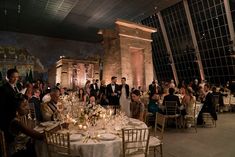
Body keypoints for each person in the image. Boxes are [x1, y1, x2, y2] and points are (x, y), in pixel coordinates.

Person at [0, 68, 20, 143]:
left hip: (15, 117)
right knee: (8, 141)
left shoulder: (16, 87)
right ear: (8, 77)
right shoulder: (3, 89)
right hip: (7, 119)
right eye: (13, 77)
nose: (15, 79)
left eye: (17, 77)